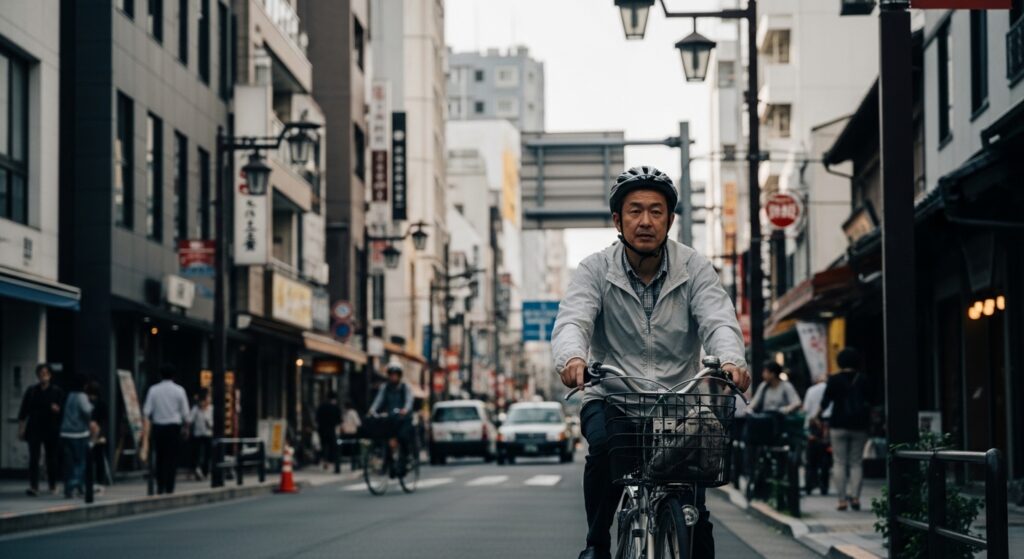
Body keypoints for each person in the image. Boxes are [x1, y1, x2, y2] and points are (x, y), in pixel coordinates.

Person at [551, 166, 751, 559]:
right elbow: (574, 318)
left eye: (656, 211)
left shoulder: (694, 267)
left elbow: (718, 319)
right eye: (635, 210)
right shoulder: (595, 269)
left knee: (696, 513)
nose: (646, 221)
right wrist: (572, 358)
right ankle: (597, 543)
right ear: (618, 220)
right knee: (605, 447)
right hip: (613, 392)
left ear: (670, 220)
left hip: (679, 397)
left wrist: (731, 361)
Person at [817, 347, 871, 511]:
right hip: (859, 424)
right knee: (856, 462)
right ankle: (855, 498)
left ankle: (841, 500)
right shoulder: (863, 379)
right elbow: (871, 401)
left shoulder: (834, 379)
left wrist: (816, 416)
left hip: (838, 423)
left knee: (839, 462)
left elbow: (826, 402)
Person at [141, 364, 191, 494]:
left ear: (160, 375)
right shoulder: (179, 390)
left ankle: (160, 485)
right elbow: (186, 414)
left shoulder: (153, 390)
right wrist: (186, 429)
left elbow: (146, 411)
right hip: (174, 427)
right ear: (173, 376)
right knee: (172, 458)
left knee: (160, 457)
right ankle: (170, 486)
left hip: (158, 427)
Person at [18, 364, 65, 496]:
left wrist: (58, 409)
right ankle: (34, 486)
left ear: (50, 375)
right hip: (34, 428)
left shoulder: (57, 391)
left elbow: (63, 411)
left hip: (52, 428)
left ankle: (52, 485)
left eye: (46, 372)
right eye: (41, 372)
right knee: (34, 458)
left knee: (51, 458)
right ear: (37, 375)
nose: (43, 375)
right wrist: (21, 429)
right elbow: (23, 411)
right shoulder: (32, 391)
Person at [369, 361, 415, 472]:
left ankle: (407, 458)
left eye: (396, 374)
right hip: (390, 418)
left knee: (403, 436)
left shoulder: (405, 387)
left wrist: (405, 410)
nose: (393, 377)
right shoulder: (385, 387)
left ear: (399, 375)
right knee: (384, 436)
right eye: (391, 374)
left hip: (402, 418)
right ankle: (387, 462)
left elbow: (409, 400)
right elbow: (378, 400)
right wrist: (372, 410)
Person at [59, 375, 95, 499]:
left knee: (69, 463)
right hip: (79, 433)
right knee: (81, 462)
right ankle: (72, 485)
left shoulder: (69, 396)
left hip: (65, 432)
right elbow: (87, 411)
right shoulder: (82, 396)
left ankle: (74, 488)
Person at [803, 373, 833, 495]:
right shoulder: (830, 389)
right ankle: (824, 486)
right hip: (827, 424)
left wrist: (806, 428)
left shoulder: (811, 390)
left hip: (813, 425)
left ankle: (809, 484)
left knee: (811, 458)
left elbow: (806, 409)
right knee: (826, 457)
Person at [85, 380, 112, 490]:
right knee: (92, 458)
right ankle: (91, 481)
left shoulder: (100, 404)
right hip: (89, 432)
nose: (91, 397)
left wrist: (102, 435)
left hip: (98, 433)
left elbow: (104, 421)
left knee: (99, 457)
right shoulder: (89, 403)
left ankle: (100, 480)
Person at [189, 388, 213, 480]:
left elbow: (212, 424)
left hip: (208, 434)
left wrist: (208, 421)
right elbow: (190, 419)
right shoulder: (196, 409)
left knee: (207, 454)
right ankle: (197, 470)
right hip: (198, 434)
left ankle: (205, 471)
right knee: (197, 453)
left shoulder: (211, 409)